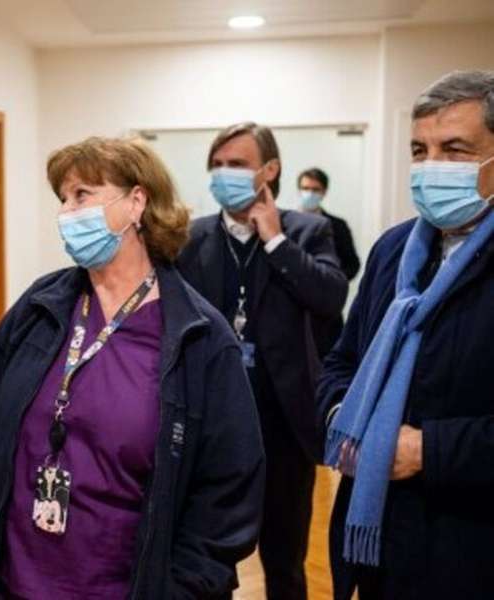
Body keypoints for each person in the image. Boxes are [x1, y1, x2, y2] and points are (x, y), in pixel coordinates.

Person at [0, 137, 266, 599]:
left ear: (136, 201)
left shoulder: (199, 337)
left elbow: (228, 492)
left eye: (82, 195)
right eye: (63, 197)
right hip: (16, 581)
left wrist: (181, 587)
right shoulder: (46, 304)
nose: (66, 212)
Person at [318, 70, 494, 600]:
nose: (431, 166)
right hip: (381, 541)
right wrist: (342, 421)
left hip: (471, 545)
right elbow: (341, 362)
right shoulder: (393, 250)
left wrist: (428, 450)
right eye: (419, 150)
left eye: (455, 150)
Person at [175, 122, 348, 600]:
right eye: (217, 164)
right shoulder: (192, 238)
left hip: (284, 425)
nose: (223, 173)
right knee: (207, 561)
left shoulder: (308, 230)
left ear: (269, 170)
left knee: (285, 560)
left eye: (237, 164)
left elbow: (331, 297)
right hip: (209, 423)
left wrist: (276, 242)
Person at [298, 167, 362, 356]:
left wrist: (331, 281)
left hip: (327, 309)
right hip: (294, 308)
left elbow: (353, 263)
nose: (309, 193)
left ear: (324, 192)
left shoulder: (337, 226)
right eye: (305, 188)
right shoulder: (285, 223)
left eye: (315, 189)